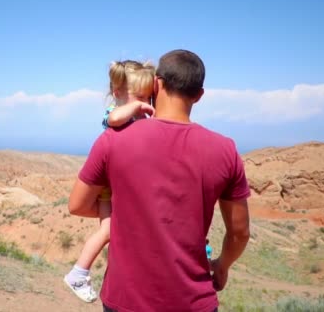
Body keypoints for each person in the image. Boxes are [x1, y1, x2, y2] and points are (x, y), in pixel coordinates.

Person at [68, 49, 251, 311]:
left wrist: (129, 216)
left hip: (125, 300)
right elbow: (240, 232)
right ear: (199, 96)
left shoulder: (113, 139)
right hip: (193, 302)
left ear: (157, 84)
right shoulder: (225, 150)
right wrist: (222, 266)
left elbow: (77, 205)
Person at [64, 60, 156, 303]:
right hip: (106, 188)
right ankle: (79, 272)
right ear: (117, 93)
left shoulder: (135, 116)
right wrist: (138, 108)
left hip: (113, 187)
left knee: (114, 230)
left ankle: (80, 272)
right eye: (139, 96)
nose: (145, 104)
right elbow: (115, 118)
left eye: (149, 98)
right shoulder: (115, 115)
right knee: (108, 230)